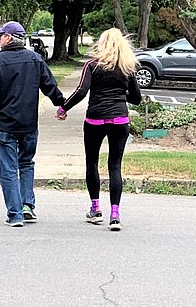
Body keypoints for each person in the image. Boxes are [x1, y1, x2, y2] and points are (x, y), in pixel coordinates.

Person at [0, 21, 66, 227]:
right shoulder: (35, 59)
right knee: (26, 163)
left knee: (8, 169)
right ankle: (27, 205)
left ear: (8, 38)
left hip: (5, 125)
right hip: (29, 124)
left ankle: (15, 214)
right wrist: (61, 105)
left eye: (1, 35)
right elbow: (50, 86)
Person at [56, 28, 142, 231]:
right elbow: (136, 98)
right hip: (120, 120)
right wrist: (121, 95)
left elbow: (81, 91)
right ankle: (115, 215)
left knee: (92, 162)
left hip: (95, 119)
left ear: (101, 44)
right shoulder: (127, 67)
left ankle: (95, 209)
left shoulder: (92, 65)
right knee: (115, 166)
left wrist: (63, 108)